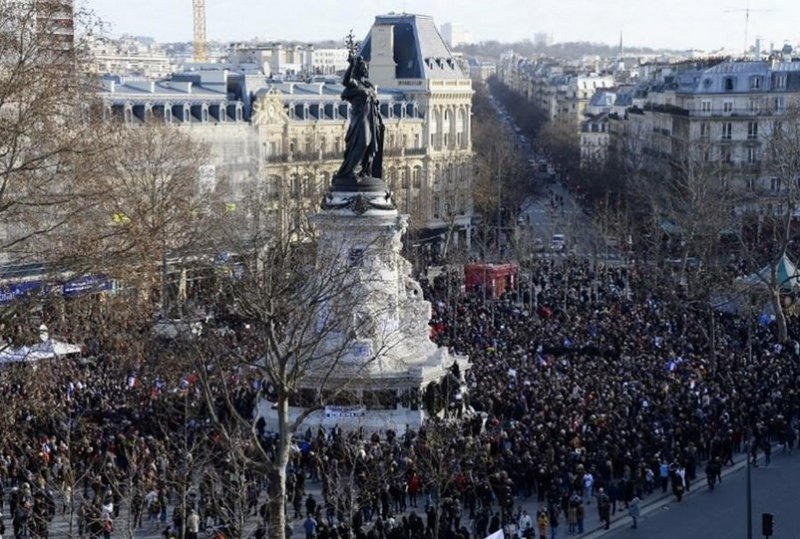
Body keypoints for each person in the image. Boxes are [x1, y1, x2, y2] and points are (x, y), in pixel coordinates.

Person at [334, 54, 384, 183]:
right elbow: (346, 82)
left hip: (371, 120)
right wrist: (352, 65)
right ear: (358, 69)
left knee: (370, 146)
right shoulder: (355, 84)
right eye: (363, 67)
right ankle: (350, 171)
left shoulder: (368, 85)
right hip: (360, 120)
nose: (365, 69)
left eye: (366, 67)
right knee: (362, 142)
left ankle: (364, 170)